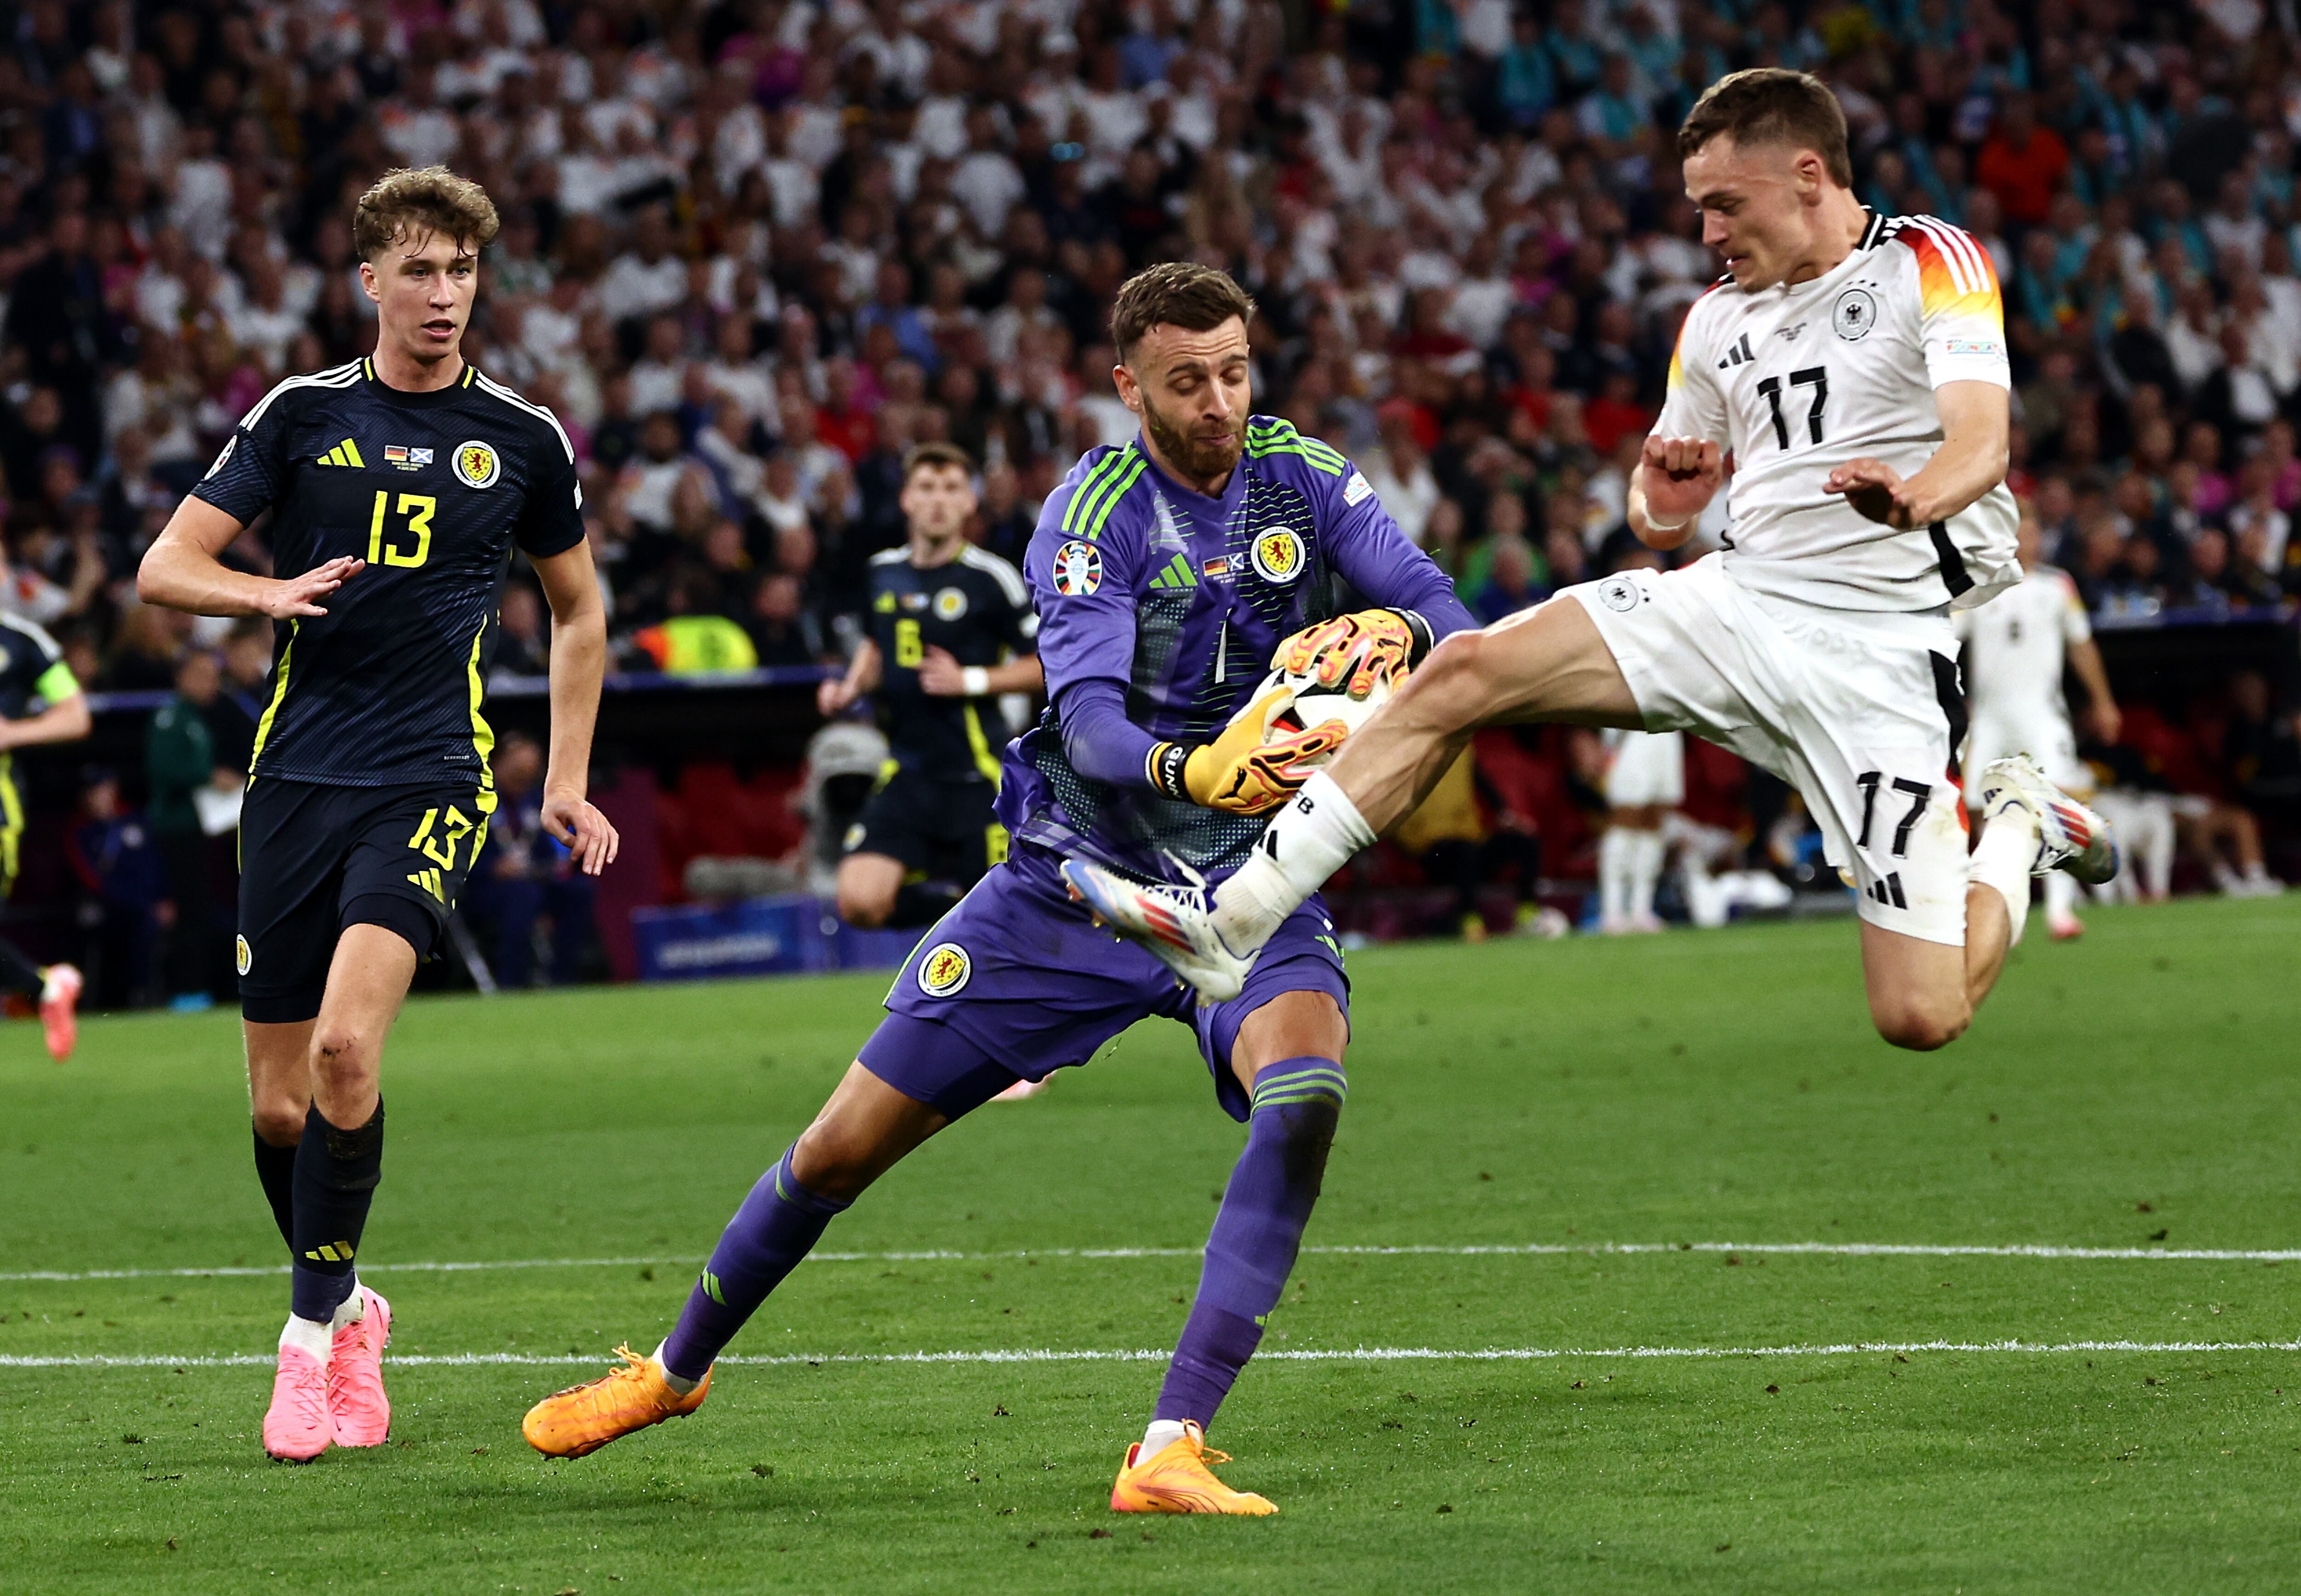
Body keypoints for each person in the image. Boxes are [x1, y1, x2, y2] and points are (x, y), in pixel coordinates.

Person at [522, 263, 1474, 1517]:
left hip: (1250, 882)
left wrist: (1390, 676)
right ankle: (674, 1366)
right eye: (1188, 380)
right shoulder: (1096, 514)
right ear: (1129, 384)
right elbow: (1085, 726)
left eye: (1236, 370)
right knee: (839, 1148)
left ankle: (1170, 1443)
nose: (1220, 401)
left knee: (1304, 1089)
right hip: (1072, 884)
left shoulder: (1302, 473)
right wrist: (1202, 762)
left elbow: (1443, 616)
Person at [1072, 70, 2116, 1057]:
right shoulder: (1714, 319)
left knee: (1919, 1014)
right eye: (1696, 207)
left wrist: (1914, 497)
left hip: (1884, 654)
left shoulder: (1930, 260)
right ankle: (1235, 920)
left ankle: (2020, 822)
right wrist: (1659, 495)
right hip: (1740, 605)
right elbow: (1657, 509)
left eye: (1722, 202)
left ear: (1807, 176)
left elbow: (1983, 441)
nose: (1706, 230)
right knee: (1467, 669)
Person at [136, 166, 619, 1465]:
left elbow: (581, 609)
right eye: (419, 269)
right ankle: (351, 1302)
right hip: (293, 780)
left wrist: (563, 778)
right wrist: (266, 593)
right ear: (369, 281)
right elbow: (164, 567)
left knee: (350, 1051)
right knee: (284, 1109)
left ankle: (305, 1353)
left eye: (463, 271)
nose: (444, 294)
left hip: (430, 776)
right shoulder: (301, 416)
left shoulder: (523, 437)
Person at [815, 442, 1043, 930]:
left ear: (968, 503)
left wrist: (972, 680)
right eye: (926, 488)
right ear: (906, 500)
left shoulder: (990, 578)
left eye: (951, 489)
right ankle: (962, 912)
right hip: (908, 773)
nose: (938, 500)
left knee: (1010, 926)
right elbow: (879, 645)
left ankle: (980, 917)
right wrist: (849, 689)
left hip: (978, 775)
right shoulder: (883, 572)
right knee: (858, 902)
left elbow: (1046, 664)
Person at [1956, 502, 2121, 940]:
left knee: (2058, 805)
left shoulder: (2057, 587)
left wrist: (2103, 701)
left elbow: (2082, 646)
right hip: (1989, 716)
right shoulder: (1978, 584)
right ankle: (1987, 907)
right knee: (1975, 811)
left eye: (2031, 532)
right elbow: (1948, 641)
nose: (2025, 541)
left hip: (2041, 714)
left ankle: (2060, 913)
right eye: (2016, 532)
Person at [0, 610, 90, 1058]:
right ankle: (45, 987)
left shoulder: (20, 640)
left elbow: (75, 715)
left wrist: (13, 732)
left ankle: (43, 988)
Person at [460, 731, 596, 987]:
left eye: (529, 773)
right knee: (523, 896)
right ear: (497, 765)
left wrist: (554, 865)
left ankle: (562, 977)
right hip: (485, 890)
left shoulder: (534, 802)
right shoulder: (474, 803)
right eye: (517, 772)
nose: (523, 780)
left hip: (531, 882)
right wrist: (491, 868)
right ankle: (512, 982)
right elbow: (455, 857)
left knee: (578, 891)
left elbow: (546, 853)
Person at [145, 649, 234, 1008]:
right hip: (175, 828)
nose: (210, 682)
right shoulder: (171, 717)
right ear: (181, 677)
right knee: (187, 911)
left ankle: (199, 987)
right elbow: (162, 767)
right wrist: (209, 776)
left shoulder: (198, 718)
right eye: (201, 674)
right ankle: (187, 992)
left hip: (198, 827)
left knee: (200, 909)